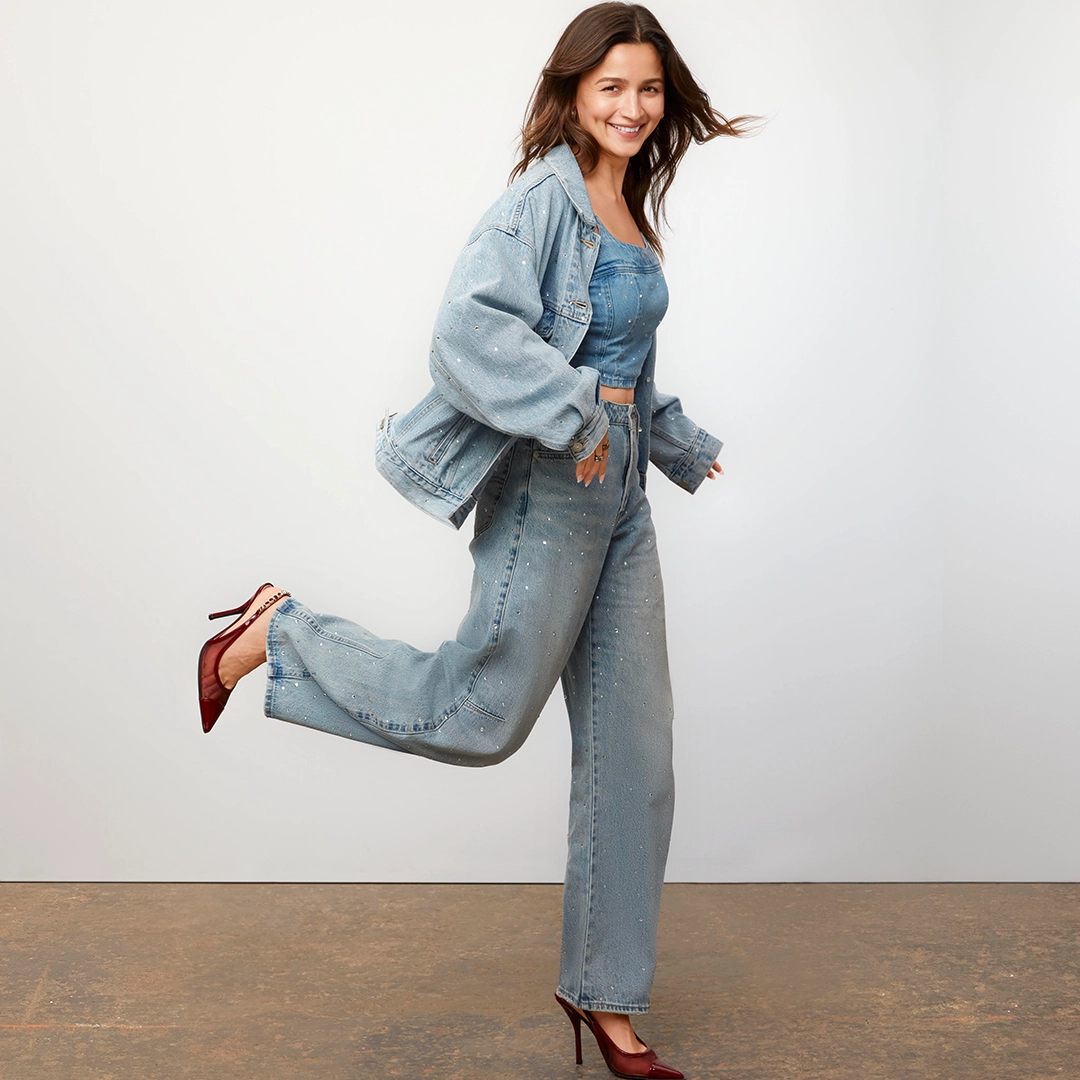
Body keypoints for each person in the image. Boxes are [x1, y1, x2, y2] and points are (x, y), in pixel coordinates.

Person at [197, 4, 755, 1076]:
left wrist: (672, 440)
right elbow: (467, 332)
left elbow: (614, 354)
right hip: (552, 487)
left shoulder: (626, 197)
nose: (634, 107)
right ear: (573, 92)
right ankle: (283, 632)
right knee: (479, 715)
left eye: (648, 88)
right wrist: (579, 418)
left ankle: (606, 995)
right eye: (612, 87)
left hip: (621, 495)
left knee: (637, 758)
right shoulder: (541, 200)